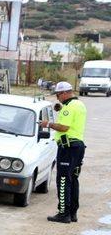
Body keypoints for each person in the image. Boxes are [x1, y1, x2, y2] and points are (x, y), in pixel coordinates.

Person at [40, 81, 87, 223]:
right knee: (73, 179)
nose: (57, 98)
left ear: (66, 93)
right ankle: (72, 213)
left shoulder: (68, 107)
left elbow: (64, 127)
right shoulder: (79, 104)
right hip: (78, 147)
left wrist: (48, 124)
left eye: (58, 94)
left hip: (68, 148)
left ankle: (63, 213)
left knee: (63, 179)